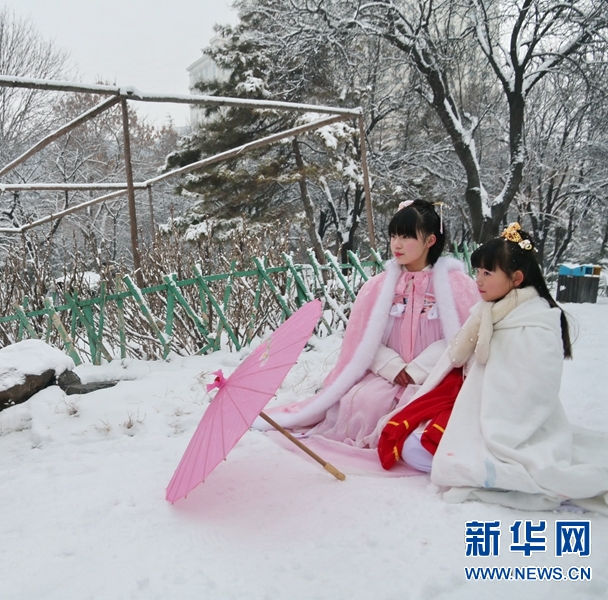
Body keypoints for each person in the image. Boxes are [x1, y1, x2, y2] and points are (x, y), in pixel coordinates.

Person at [377, 224, 608, 512]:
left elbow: (532, 393)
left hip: (509, 424)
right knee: (411, 443)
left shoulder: (535, 322)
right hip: (476, 407)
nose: (479, 280)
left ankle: (495, 470)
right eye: (478, 272)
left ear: (516, 278)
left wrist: (486, 419)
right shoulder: (490, 310)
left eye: (487, 273)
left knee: (433, 453)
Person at [257, 200, 479, 447]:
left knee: (421, 410)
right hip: (385, 376)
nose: (396, 243)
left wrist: (418, 369)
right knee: (362, 402)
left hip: (436, 375)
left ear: (430, 240)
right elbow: (361, 340)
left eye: (406, 236)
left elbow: (465, 338)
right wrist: (393, 367)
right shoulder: (378, 286)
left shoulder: (458, 285)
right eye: (393, 235)